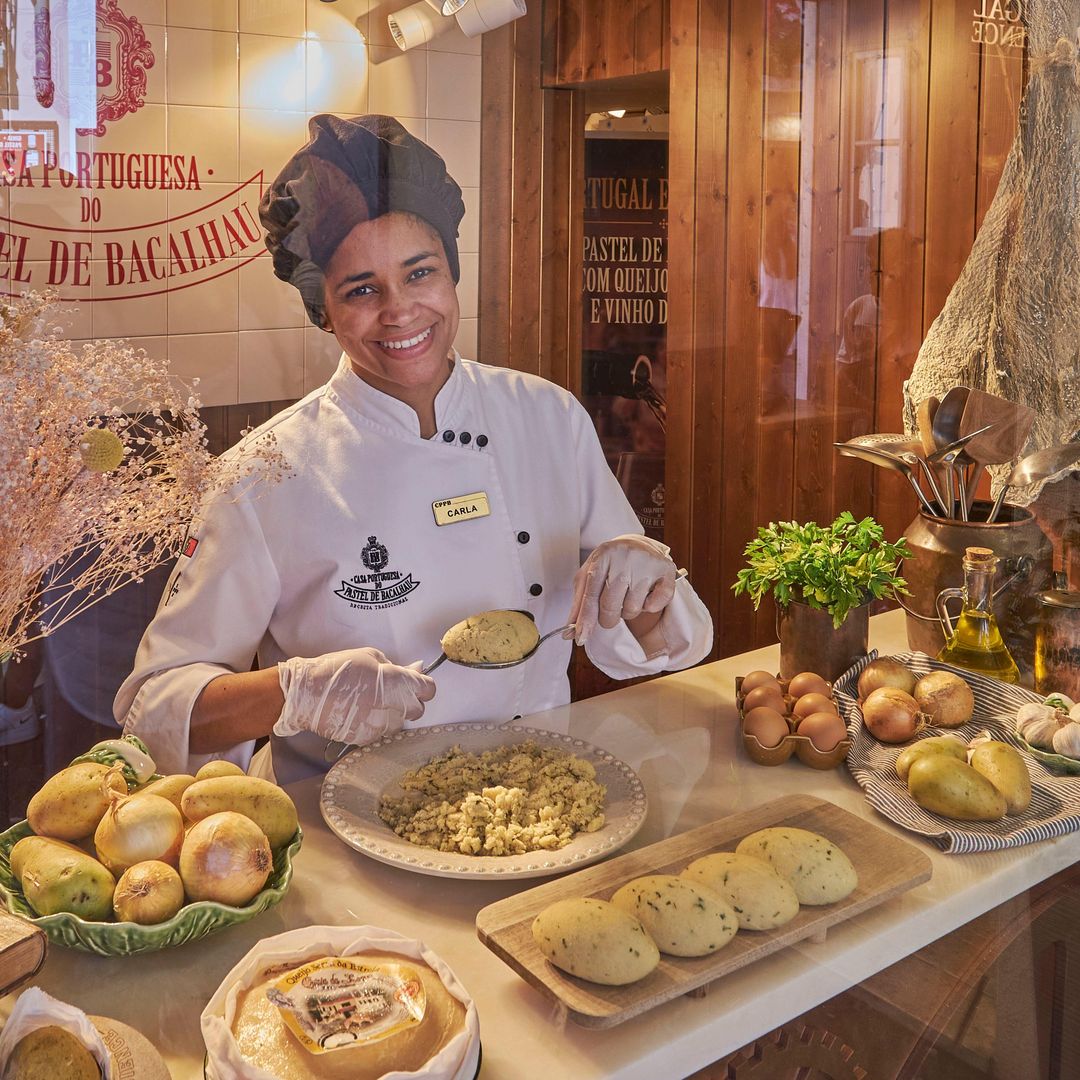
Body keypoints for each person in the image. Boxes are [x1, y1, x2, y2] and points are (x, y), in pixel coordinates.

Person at [114, 115, 713, 783]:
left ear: (451, 276)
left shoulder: (547, 416)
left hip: (540, 795)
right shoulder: (263, 474)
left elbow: (644, 630)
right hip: (348, 821)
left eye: (419, 273)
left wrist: (646, 583)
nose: (399, 311)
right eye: (361, 290)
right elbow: (154, 706)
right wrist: (295, 694)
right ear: (323, 312)